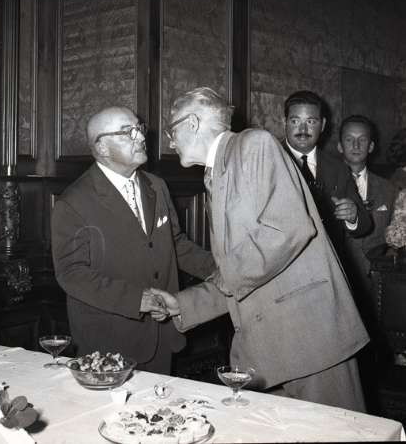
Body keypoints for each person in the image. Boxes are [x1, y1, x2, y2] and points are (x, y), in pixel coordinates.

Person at [149, 87, 369, 411]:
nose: (170, 141)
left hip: (311, 339)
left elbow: (287, 230)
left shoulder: (254, 145)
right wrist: (183, 305)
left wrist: (224, 278)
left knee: (341, 432)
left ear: (193, 123)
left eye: (172, 131)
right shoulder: (215, 175)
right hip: (270, 349)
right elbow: (245, 272)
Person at [51, 107, 215, 374]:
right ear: (102, 147)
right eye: (128, 132)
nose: (140, 137)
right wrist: (136, 299)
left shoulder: (156, 186)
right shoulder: (73, 202)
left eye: (139, 128)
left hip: (162, 335)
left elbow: (176, 245)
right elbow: (71, 273)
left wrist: (220, 270)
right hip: (109, 343)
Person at [282, 91, 372, 260]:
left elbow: (365, 224)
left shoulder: (338, 168)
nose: (303, 130)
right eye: (295, 121)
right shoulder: (267, 161)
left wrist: (353, 216)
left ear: (322, 125)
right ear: (284, 122)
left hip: (327, 265)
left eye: (311, 121)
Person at [338, 115, 397, 323]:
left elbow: (394, 237)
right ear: (339, 146)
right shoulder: (325, 185)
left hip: (378, 286)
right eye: (349, 139)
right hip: (338, 282)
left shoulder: (389, 189)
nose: (356, 145)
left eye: (362, 139)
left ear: (371, 146)